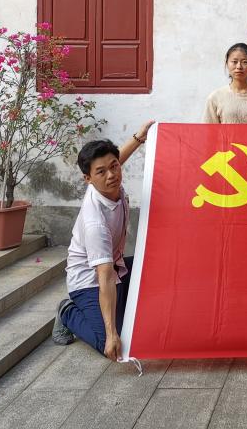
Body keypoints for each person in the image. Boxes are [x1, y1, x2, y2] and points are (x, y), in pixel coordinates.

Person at [51, 121, 154, 360]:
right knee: (111, 344)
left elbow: (113, 161)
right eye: (101, 172)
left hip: (116, 267)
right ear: (88, 179)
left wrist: (139, 137)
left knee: (154, 264)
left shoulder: (107, 181)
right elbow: (104, 276)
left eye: (114, 166)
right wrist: (111, 334)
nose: (112, 175)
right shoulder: (95, 221)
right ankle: (67, 312)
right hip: (89, 281)